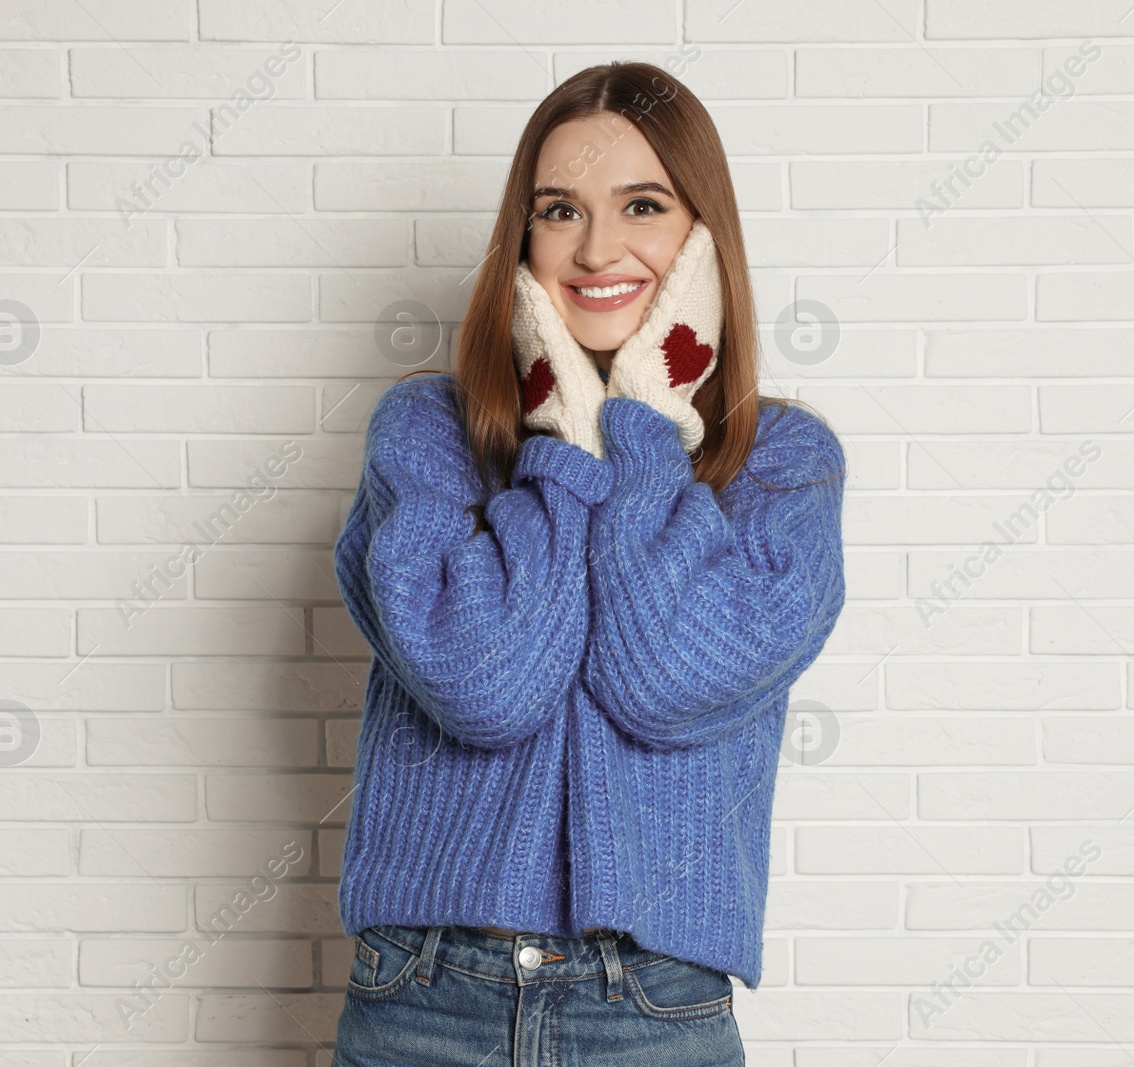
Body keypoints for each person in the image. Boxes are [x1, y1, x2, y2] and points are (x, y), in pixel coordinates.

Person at [329, 59, 847, 1067]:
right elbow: (488, 684)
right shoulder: (426, 434)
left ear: (703, 242)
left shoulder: (781, 467)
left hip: (650, 1010)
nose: (596, 246)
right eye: (558, 211)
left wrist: (643, 425)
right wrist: (566, 439)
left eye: (641, 206)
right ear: (522, 242)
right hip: (423, 997)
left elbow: (662, 679)